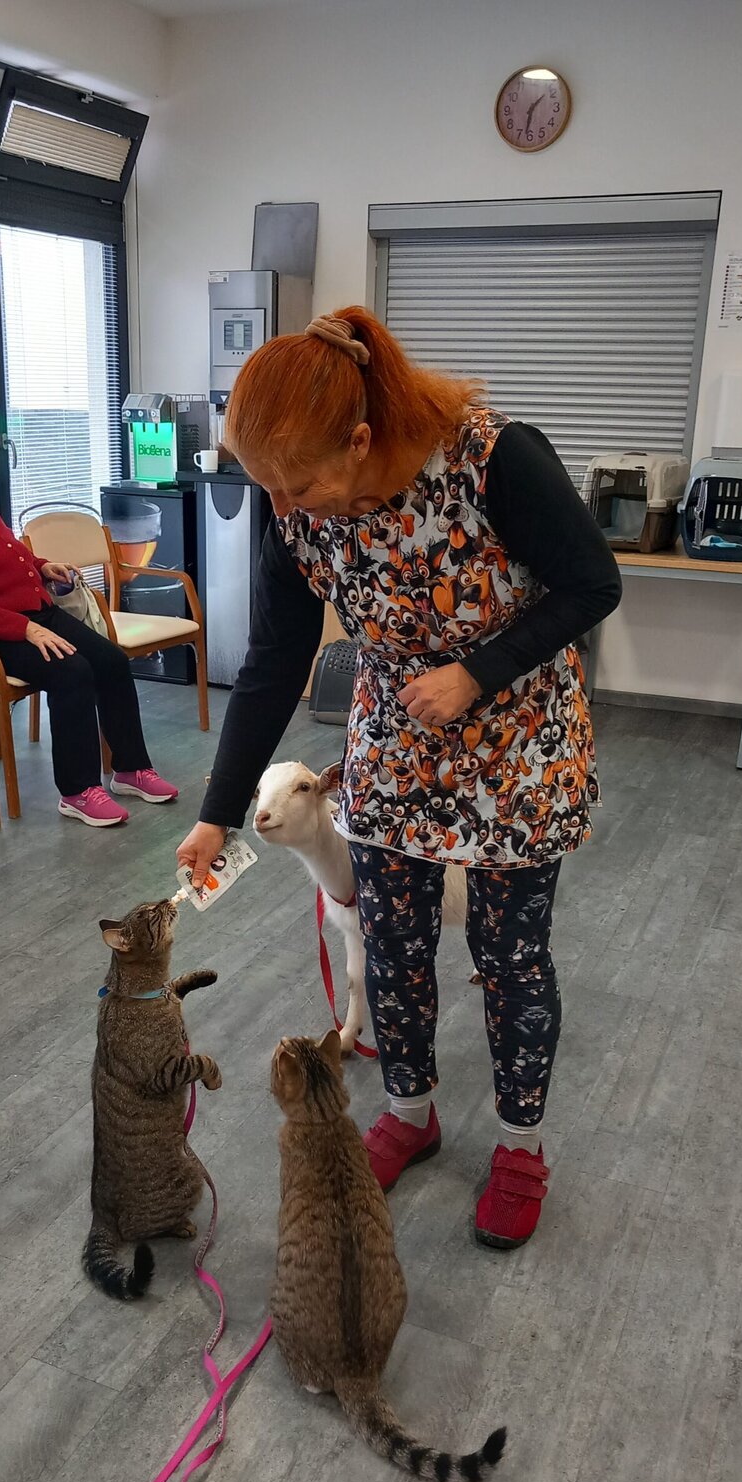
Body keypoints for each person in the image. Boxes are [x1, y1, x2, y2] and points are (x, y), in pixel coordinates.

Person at [177, 308, 622, 1250]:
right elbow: (273, 662)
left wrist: (477, 673)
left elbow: (594, 583)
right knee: (390, 946)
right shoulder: (295, 506)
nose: (285, 509)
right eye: (268, 488)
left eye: (299, 484)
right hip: (394, 745)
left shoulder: (491, 459)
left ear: (360, 439)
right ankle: (411, 1112)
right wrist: (218, 814)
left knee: (509, 961)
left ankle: (519, 1146)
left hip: (519, 746)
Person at [0, 419, 178, 828]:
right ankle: (78, 791)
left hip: (28, 614)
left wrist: (42, 566)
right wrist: (25, 629)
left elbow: (7, 554)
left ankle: (130, 769)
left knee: (112, 661)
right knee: (72, 672)